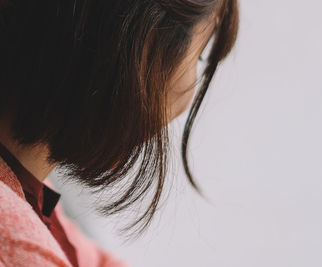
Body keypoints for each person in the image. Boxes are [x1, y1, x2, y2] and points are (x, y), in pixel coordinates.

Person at [0, 0, 239, 266]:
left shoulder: (27, 191)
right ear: (143, 40)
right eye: (201, 54)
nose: (189, 95)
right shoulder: (18, 244)